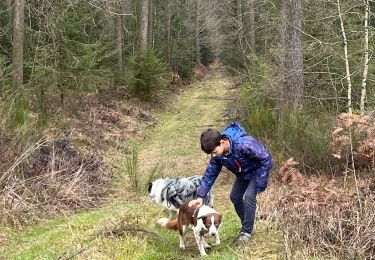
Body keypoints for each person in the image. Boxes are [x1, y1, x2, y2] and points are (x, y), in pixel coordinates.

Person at [189, 122, 273, 246]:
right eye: (210, 153)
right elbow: (210, 174)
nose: (213, 155)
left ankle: (246, 232)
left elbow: (266, 158)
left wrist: (261, 182)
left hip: (258, 171)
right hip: (244, 173)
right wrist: (200, 197)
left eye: (214, 151)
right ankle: (248, 225)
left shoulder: (243, 144)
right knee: (235, 196)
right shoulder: (218, 155)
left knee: (249, 196)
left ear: (222, 142)